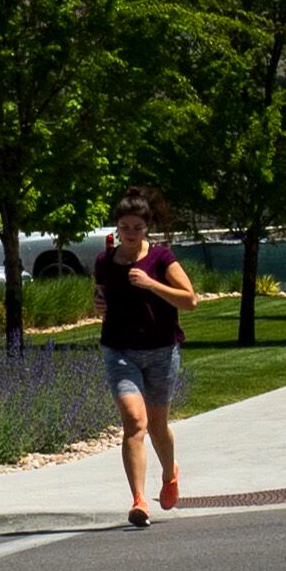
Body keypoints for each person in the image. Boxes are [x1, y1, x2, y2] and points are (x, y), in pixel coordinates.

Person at [91, 192, 199, 525]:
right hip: (119, 351)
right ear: (117, 227)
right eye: (124, 227)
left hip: (161, 351)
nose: (130, 233)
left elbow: (190, 300)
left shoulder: (161, 258)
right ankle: (139, 500)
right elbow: (101, 297)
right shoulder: (104, 262)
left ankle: (169, 474)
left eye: (137, 227)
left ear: (146, 227)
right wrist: (98, 305)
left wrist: (152, 284)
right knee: (134, 422)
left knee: (157, 425)